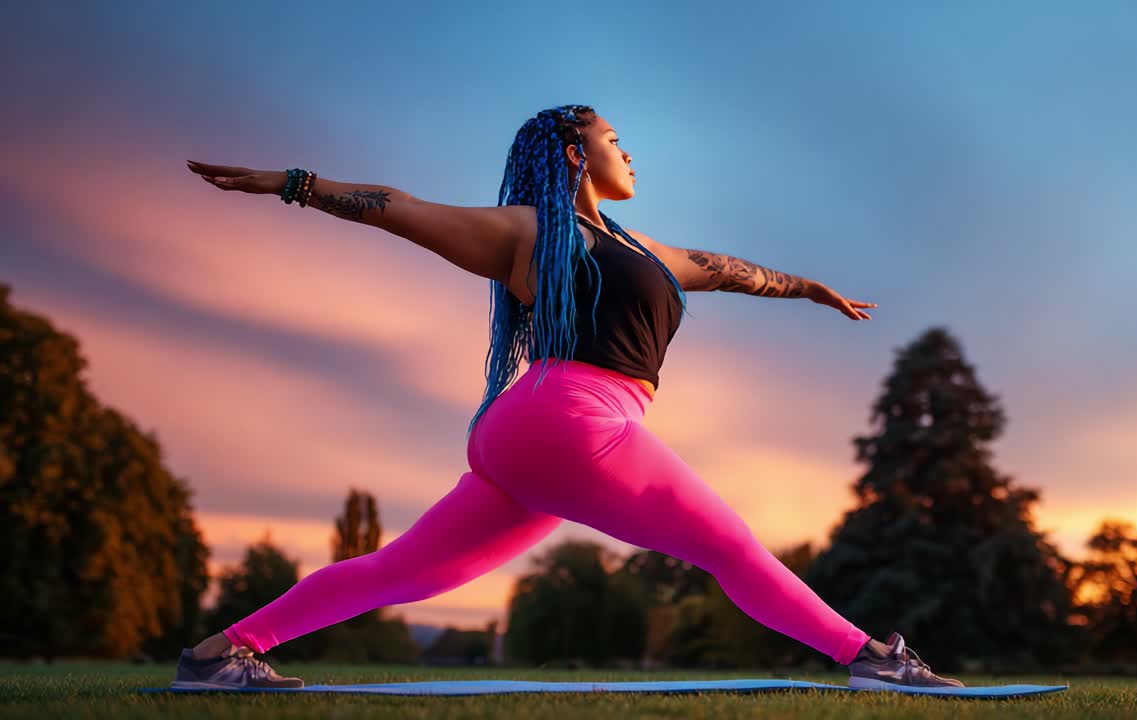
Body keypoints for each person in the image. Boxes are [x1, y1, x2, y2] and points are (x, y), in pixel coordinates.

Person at [175, 105, 962, 691]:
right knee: (727, 545)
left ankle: (219, 655)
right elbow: (403, 208)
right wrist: (297, 186)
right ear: (572, 151)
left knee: (403, 572)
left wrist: (808, 289)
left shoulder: (643, 248)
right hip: (570, 419)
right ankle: (872, 660)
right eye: (614, 139)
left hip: (536, 436)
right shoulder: (530, 230)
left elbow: (727, 268)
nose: (628, 151)